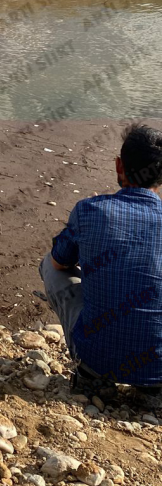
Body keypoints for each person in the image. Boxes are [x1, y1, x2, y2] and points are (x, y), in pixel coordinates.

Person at [40, 123, 162, 395]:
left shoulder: (90, 210)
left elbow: (59, 263)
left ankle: (91, 373)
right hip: (157, 368)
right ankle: (150, 387)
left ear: (119, 166)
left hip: (98, 360)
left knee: (48, 265)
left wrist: (92, 236)